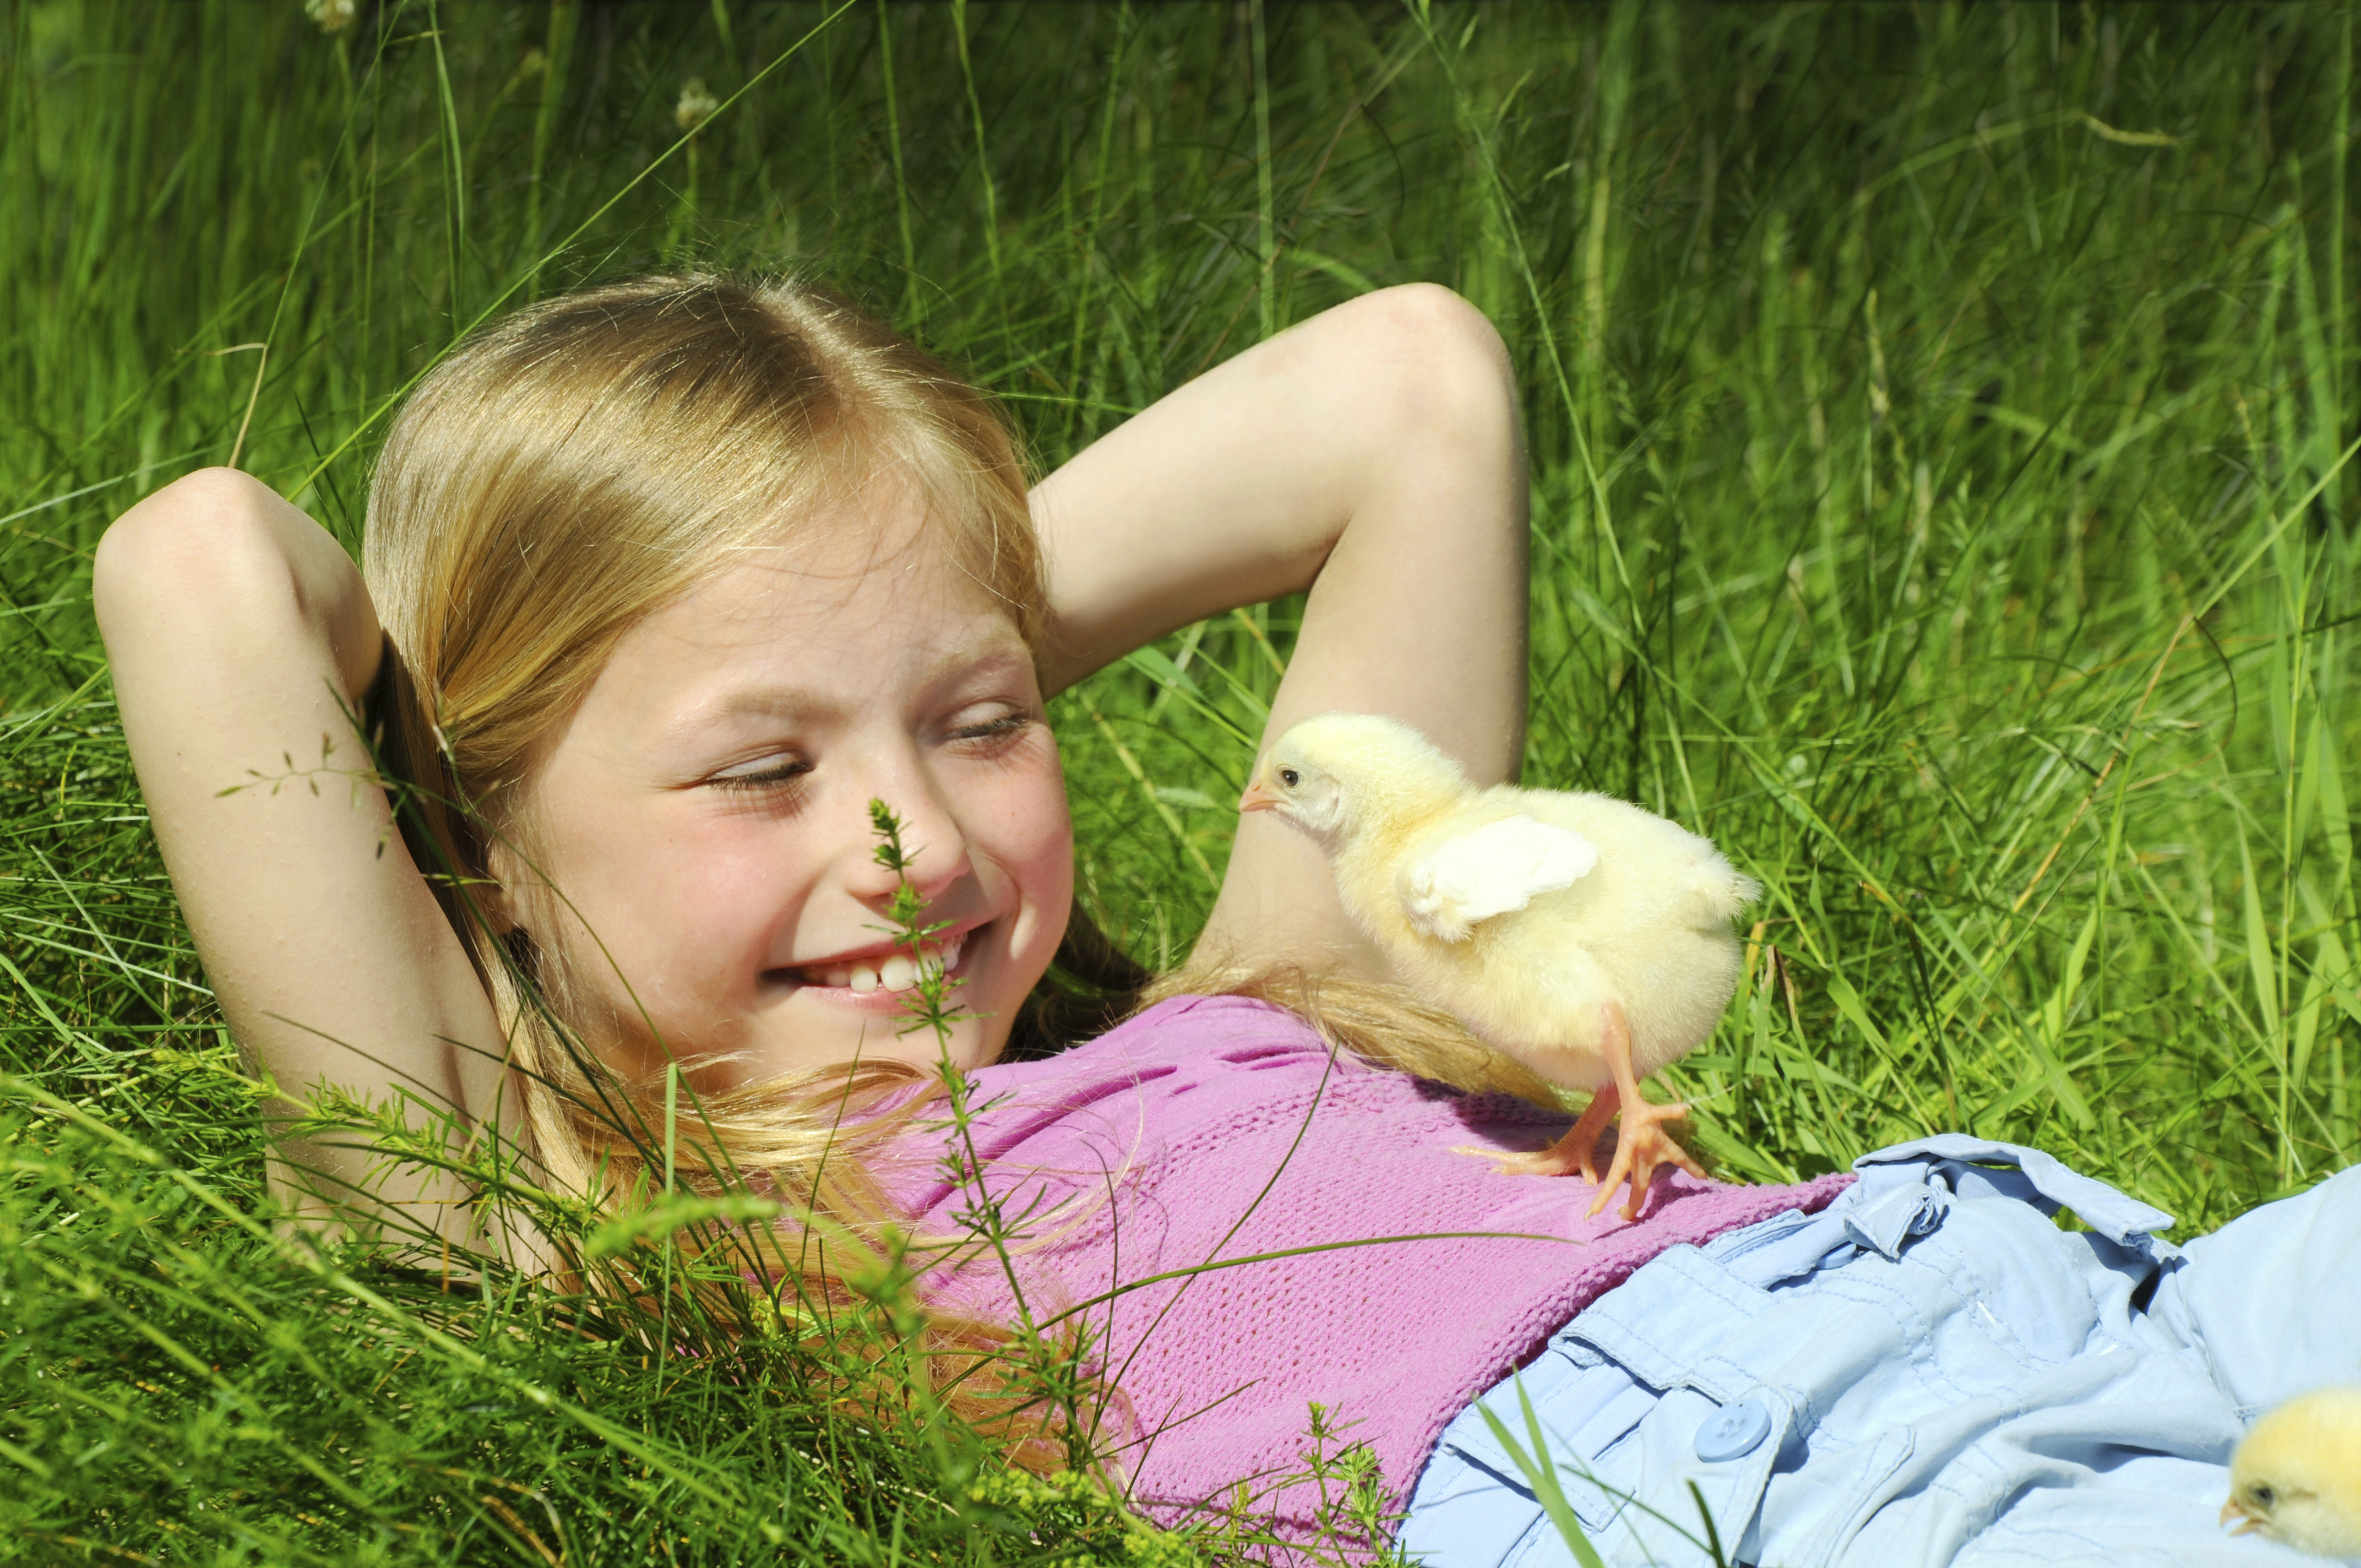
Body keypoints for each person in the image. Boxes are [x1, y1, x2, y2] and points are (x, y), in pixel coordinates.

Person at [94, 276, 2357, 1567]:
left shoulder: (1295, 982)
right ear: (487, 843)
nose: (912, 842)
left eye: (980, 729)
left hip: (2057, 1278)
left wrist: (905, 627)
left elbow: (1410, 383)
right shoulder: (594, 1221)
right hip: (1772, 1508)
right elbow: (196, 562)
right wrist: (460, 792)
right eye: (759, 769)